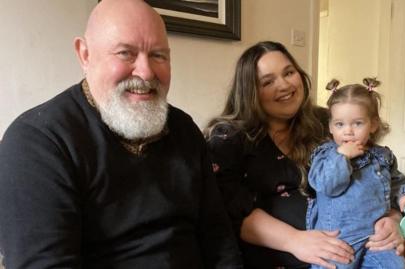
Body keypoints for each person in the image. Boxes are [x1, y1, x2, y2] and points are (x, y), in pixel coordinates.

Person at [0, 0, 242, 268]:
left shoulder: (183, 128)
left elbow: (219, 241)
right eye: (126, 53)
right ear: (85, 54)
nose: (146, 71)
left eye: (158, 55)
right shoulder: (38, 142)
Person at [204, 41, 405, 269]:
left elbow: (378, 174)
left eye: (289, 72)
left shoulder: (327, 123)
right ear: (250, 91)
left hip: (354, 247)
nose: (284, 85)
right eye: (268, 81)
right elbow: (224, 211)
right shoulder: (227, 138)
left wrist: (392, 220)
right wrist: (295, 240)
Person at [307, 78, 405, 269]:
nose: (348, 131)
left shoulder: (382, 156)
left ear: (373, 125)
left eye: (357, 123)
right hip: (339, 242)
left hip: (377, 239)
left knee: (396, 266)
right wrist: (342, 157)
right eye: (340, 124)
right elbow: (327, 186)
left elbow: (396, 181)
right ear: (331, 127)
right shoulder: (326, 155)